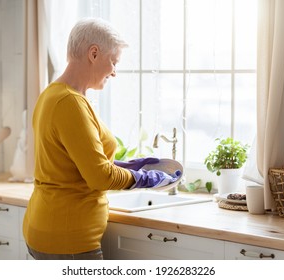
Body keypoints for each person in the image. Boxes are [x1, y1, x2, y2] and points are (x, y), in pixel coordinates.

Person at [22, 18, 180, 260]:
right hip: (68, 240)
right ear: (94, 53)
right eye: (113, 62)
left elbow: (72, 165)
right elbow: (99, 177)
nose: (114, 72)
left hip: (47, 227)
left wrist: (125, 166)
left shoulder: (52, 95)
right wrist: (145, 178)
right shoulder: (71, 103)